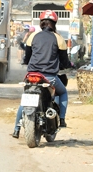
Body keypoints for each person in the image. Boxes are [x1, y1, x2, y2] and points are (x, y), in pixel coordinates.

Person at [12, 10, 73, 139]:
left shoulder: (32, 36)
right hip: (49, 76)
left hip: (31, 75)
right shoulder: (58, 38)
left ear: (41, 23)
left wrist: (27, 62)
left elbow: (27, 57)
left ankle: (16, 128)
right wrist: (70, 65)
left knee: (25, 100)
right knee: (63, 93)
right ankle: (61, 119)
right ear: (54, 23)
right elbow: (64, 60)